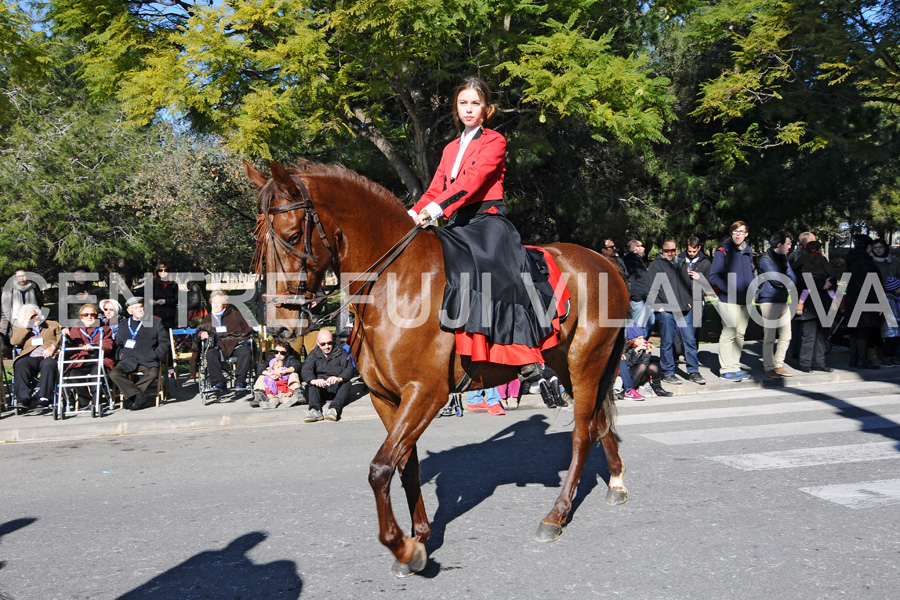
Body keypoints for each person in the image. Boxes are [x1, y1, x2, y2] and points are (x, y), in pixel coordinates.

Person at [407, 77, 560, 399]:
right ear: (456, 108)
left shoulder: (495, 141)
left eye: (475, 103)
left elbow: (471, 181)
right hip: (456, 222)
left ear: (486, 109)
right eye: (463, 103)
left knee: (493, 266)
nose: (469, 109)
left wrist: (433, 210)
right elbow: (436, 187)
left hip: (486, 220)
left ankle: (524, 352)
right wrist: (411, 214)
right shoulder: (450, 148)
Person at [647, 239, 706, 386]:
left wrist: (689, 301)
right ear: (662, 250)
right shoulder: (656, 265)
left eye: (673, 250)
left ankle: (694, 371)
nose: (671, 253)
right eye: (668, 251)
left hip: (683, 308)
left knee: (690, 341)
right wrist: (657, 306)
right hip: (666, 310)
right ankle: (668, 373)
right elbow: (649, 287)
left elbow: (687, 283)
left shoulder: (680, 262)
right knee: (667, 342)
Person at [709, 221, 755, 381]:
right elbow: (714, 276)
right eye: (735, 231)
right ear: (731, 233)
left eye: (741, 231)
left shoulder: (748, 251)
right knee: (729, 333)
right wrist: (730, 290)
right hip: (728, 299)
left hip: (746, 300)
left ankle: (735, 366)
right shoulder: (723, 251)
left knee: (740, 334)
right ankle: (726, 369)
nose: (738, 234)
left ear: (746, 234)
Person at [108, 297, 170, 410]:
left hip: (148, 359)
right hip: (128, 359)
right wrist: (121, 356)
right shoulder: (122, 325)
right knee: (114, 374)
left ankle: (132, 397)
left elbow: (164, 343)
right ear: (129, 311)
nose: (140, 309)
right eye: (136, 308)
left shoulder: (156, 322)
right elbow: (118, 345)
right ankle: (140, 397)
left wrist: (155, 355)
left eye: (141, 306)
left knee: (152, 373)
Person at [196, 291, 255, 391]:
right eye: (213, 302)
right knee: (210, 354)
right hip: (217, 346)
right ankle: (218, 382)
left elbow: (246, 329)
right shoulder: (208, 318)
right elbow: (199, 330)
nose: (215, 305)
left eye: (218, 302)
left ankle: (240, 380)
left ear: (225, 304)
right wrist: (201, 333)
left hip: (235, 344)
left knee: (245, 351)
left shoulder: (234, 315)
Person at [757, 231, 797, 378]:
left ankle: (778, 364)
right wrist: (785, 282)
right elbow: (776, 280)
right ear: (779, 245)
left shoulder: (784, 260)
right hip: (769, 301)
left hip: (783, 301)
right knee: (769, 337)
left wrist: (785, 283)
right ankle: (769, 367)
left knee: (787, 335)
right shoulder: (765, 260)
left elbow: (793, 279)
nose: (790, 247)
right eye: (788, 244)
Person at [793, 240, 835, 373]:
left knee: (810, 336)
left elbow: (794, 271)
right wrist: (825, 283)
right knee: (818, 336)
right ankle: (816, 363)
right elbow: (832, 274)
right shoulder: (822, 260)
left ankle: (808, 363)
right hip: (820, 303)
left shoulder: (801, 260)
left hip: (810, 303)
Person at [10, 304, 61, 411]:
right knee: (21, 364)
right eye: (30, 317)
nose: (34, 318)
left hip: (47, 356)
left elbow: (61, 338)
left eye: (35, 315)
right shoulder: (21, 328)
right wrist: (25, 324)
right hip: (30, 357)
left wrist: (53, 347)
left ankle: (44, 398)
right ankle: (23, 398)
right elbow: (14, 341)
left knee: (49, 364)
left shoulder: (52, 325)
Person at [61, 303, 114, 408]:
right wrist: (65, 337)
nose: (89, 317)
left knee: (97, 373)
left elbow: (108, 345)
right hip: (81, 360)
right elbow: (70, 348)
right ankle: (85, 402)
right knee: (73, 374)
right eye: (86, 315)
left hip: (98, 359)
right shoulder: (75, 329)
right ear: (81, 317)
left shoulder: (104, 329)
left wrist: (94, 346)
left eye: (92, 315)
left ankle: (96, 402)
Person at [301, 329, 355, 422]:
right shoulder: (313, 354)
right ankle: (315, 410)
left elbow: (349, 368)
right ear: (317, 343)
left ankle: (334, 409)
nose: (327, 346)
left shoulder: (342, 353)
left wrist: (339, 378)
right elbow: (306, 369)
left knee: (347, 384)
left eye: (329, 343)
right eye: (323, 344)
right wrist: (313, 380)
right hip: (320, 387)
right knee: (310, 385)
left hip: (335, 388)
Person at [845, 234, 882, 369]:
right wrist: (878, 301)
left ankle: (854, 359)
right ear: (868, 246)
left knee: (855, 331)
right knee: (863, 331)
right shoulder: (866, 262)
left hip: (852, 298)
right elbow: (871, 283)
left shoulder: (852, 260)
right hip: (865, 299)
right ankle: (863, 359)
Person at [622, 325, 672, 399]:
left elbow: (645, 364)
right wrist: (635, 352)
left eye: (643, 338)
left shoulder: (642, 347)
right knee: (642, 366)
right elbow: (628, 364)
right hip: (628, 377)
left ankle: (658, 389)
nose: (643, 340)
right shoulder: (626, 349)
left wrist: (647, 353)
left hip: (640, 376)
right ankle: (628, 390)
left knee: (653, 367)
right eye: (639, 338)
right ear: (632, 340)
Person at [1, 268, 44, 350]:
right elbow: (5, 314)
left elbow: (40, 307)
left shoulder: (34, 290)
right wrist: (3, 332)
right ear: (14, 278)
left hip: (34, 323)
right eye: (19, 276)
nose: (22, 279)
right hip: (17, 325)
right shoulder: (8, 292)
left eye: (24, 276)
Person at [679, 237, 712, 343]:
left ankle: (692, 355)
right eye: (689, 251)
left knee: (695, 328)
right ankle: (678, 352)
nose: (691, 253)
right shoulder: (679, 259)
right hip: (681, 297)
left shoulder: (705, 262)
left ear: (699, 248)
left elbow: (710, 283)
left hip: (697, 298)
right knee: (679, 328)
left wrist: (700, 278)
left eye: (694, 251)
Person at [251, 343, 303, 408]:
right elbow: (261, 367)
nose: (279, 354)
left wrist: (284, 371)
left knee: (294, 374)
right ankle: (259, 395)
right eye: (276, 352)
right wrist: (269, 374)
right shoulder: (271, 358)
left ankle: (297, 393)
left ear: (287, 353)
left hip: (285, 383)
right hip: (272, 384)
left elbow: (297, 365)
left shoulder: (290, 359)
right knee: (262, 376)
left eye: (282, 353)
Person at [623, 239, 655, 338]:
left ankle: (641, 345)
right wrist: (636, 297)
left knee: (651, 321)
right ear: (636, 248)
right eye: (642, 246)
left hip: (645, 299)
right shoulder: (629, 262)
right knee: (637, 327)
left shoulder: (639, 261)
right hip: (637, 300)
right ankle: (634, 349)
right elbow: (630, 281)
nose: (644, 248)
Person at [152, 262, 178, 329]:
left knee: (167, 335)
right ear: (157, 272)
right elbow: (142, 295)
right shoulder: (152, 283)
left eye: (166, 270)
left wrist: (165, 301)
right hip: (155, 314)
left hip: (168, 315)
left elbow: (177, 299)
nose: (163, 272)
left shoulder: (173, 284)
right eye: (160, 270)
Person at [881, 276, 900, 366]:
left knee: (894, 341)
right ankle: (887, 357)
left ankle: (893, 357)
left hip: (894, 324)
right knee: (889, 342)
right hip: (889, 324)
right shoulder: (889, 299)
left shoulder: (894, 298)